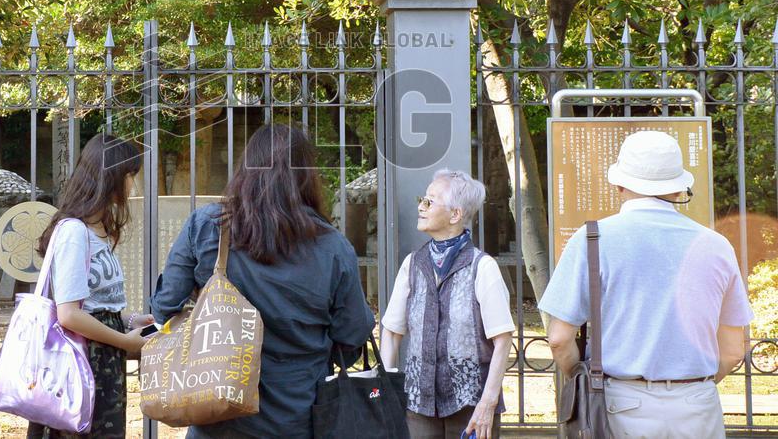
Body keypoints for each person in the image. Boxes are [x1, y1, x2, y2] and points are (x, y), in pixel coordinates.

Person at [151, 124, 375, 438]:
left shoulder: (207, 226)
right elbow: (352, 336)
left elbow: (164, 309)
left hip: (216, 410)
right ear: (306, 175)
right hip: (296, 414)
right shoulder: (333, 247)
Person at [540, 130, 753, 438]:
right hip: (698, 405)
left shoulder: (592, 240)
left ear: (619, 183)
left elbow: (559, 339)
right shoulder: (716, 245)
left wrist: (581, 377)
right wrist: (689, 387)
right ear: (679, 186)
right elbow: (733, 351)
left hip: (622, 405)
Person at [26, 133, 153, 439]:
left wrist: (128, 321)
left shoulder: (96, 232)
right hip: (81, 365)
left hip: (101, 363)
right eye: (129, 176)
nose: (132, 185)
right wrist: (126, 342)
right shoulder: (73, 232)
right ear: (111, 178)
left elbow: (93, 306)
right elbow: (68, 315)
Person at [381, 169, 515, 439]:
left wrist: (487, 404)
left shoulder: (482, 267)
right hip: (419, 405)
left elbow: (503, 340)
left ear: (455, 214)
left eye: (430, 201)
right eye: (422, 199)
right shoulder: (412, 264)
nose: (421, 206)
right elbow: (392, 332)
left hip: (471, 406)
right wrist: (386, 389)